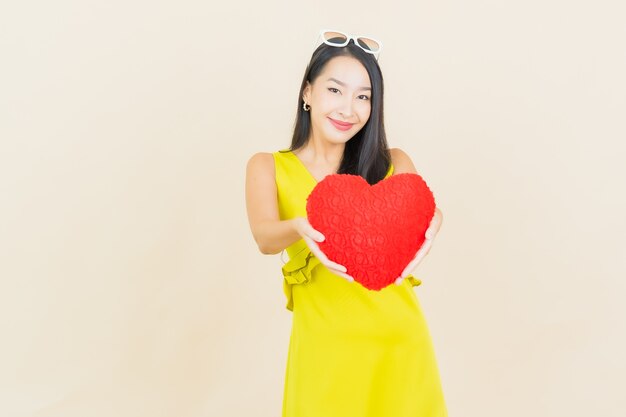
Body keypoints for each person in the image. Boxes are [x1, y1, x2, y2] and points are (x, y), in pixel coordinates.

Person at [245, 30, 447, 417]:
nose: (348, 109)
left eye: (363, 96)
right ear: (307, 92)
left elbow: (426, 209)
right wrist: (300, 226)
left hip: (399, 345)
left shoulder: (392, 162)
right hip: (325, 351)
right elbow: (265, 238)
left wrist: (436, 220)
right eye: (335, 90)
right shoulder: (268, 166)